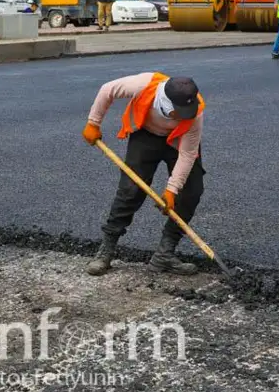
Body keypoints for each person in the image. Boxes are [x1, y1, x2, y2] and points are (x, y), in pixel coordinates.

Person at [82, 73, 206, 277]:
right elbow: (107, 89)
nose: (186, 115)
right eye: (180, 112)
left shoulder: (195, 112)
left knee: (191, 191)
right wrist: (93, 122)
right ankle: (106, 250)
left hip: (178, 141)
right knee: (130, 191)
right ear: (165, 104)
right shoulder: (144, 85)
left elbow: (188, 153)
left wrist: (172, 190)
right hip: (146, 135)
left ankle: (164, 254)